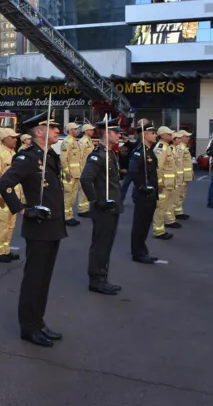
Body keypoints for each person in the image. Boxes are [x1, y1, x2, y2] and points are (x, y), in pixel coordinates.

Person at [0, 110, 66, 347]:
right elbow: (4, 184)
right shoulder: (26, 158)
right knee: (34, 280)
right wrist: (23, 209)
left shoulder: (50, 156)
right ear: (39, 132)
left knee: (44, 279)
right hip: (39, 227)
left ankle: (39, 321)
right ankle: (29, 327)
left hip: (54, 225)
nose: (58, 130)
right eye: (53, 127)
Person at [80, 121, 123, 295]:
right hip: (103, 207)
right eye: (116, 132)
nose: (119, 135)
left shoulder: (110, 153)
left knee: (107, 244)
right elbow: (85, 179)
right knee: (100, 245)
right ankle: (96, 280)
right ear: (106, 133)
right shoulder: (98, 155)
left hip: (112, 206)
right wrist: (96, 201)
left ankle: (103, 277)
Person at [128, 124, 160, 264]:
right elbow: (134, 171)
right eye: (152, 133)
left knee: (145, 224)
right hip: (143, 194)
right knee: (140, 224)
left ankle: (142, 250)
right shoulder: (139, 152)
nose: (155, 135)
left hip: (150, 194)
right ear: (145, 135)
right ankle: (138, 253)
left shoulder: (149, 151)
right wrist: (142, 187)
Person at [0, 128, 20, 262]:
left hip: (13, 194)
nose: (15, 139)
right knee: (2, 224)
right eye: (12, 137)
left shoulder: (12, 152)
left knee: (11, 224)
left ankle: (6, 250)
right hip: (3, 196)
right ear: (5, 139)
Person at [151, 127, 179, 240]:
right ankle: (158, 231)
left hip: (168, 183)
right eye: (169, 134)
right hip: (163, 184)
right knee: (160, 207)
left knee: (163, 206)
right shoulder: (161, 148)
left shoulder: (167, 147)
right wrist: (159, 183)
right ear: (162, 136)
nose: (171, 136)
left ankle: (160, 229)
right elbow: (158, 167)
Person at [59, 122, 82, 226]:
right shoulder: (67, 142)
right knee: (67, 196)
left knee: (73, 197)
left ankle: (70, 215)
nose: (77, 131)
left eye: (77, 129)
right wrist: (66, 172)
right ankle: (66, 217)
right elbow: (63, 158)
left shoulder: (74, 141)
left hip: (76, 174)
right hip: (69, 174)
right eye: (75, 129)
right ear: (70, 130)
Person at [76, 123, 95, 217]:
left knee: (88, 189)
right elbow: (78, 157)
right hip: (83, 168)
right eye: (91, 130)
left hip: (88, 168)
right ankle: (82, 210)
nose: (93, 131)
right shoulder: (82, 142)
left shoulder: (89, 141)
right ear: (86, 131)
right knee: (83, 190)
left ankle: (86, 208)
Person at [174, 130, 194, 220]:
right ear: (181, 137)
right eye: (186, 136)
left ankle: (178, 211)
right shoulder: (180, 147)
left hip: (184, 175)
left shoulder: (183, 147)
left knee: (182, 194)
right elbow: (177, 162)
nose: (188, 138)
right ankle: (177, 212)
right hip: (181, 176)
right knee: (179, 194)